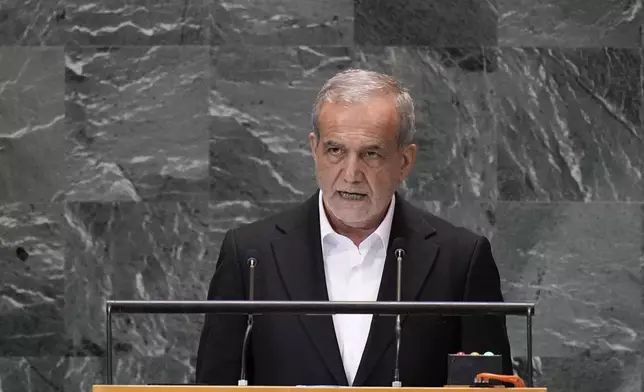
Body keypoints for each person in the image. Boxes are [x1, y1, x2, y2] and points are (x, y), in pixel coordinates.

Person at [195, 68, 512, 386]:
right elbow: (213, 384)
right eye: (335, 150)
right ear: (314, 150)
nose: (350, 174)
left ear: (404, 161)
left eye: (371, 154)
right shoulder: (251, 255)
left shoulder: (460, 260)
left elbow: (489, 387)